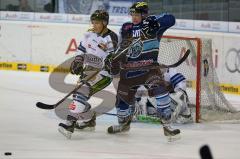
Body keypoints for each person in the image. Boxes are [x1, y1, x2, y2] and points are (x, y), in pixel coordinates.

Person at [105, 2, 180, 140]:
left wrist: (155, 21)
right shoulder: (126, 28)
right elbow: (122, 48)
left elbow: (171, 19)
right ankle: (123, 125)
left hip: (149, 70)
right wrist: (113, 59)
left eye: (137, 14)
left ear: (144, 14)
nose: (134, 17)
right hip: (129, 71)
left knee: (161, 92)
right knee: (122, 102)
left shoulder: (154, 25)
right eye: (132, 14)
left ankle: (167, 126)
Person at [58, 10, 118, 139]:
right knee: (78, 95)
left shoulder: (111, 38)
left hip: (103, 74)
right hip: (89, 71)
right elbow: (81, 49)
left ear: (104, 23)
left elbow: (115, 57)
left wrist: (110, 62)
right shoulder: (89, 34)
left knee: (81, 93)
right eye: (93, 22)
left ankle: (70, 123)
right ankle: (89, 120)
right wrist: (78, 61)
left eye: (97, 23)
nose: (94, 25)